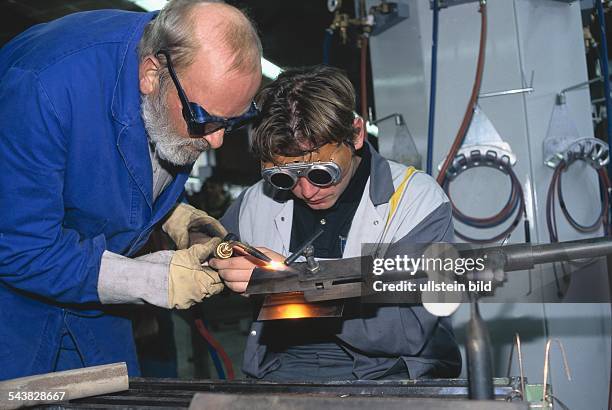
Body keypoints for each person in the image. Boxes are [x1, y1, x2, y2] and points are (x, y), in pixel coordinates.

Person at [0, 0, 262, 380]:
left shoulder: (182, 85)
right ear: (151, 74)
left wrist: (177, 216)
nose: (217, 140)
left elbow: (130, 169)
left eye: (233, 122)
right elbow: (21, 246)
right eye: (205, 120)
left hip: (97, 306)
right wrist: (155, 280)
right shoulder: (42, 86)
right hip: (14, 305)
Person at [211, 65, 461, 381]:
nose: (306, 190)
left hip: (387, 370)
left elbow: (407, 326)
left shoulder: (416, 201)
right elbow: (214, 246)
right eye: (285, 177)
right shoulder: (257, 200)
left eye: (321, 173)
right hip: (281, 366)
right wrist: (202, 240)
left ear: (355, 134)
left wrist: (293, 286)